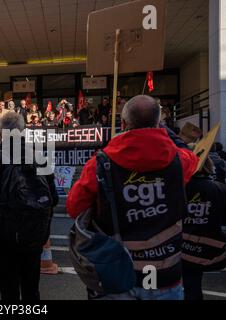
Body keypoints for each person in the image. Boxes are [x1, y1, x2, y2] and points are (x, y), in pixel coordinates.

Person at [66, 95, 199, 300]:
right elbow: (192, 157)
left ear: (123, 124)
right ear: (158, 123)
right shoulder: (179, 159)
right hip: (165, 274)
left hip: (118, 272)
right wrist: (167, 133)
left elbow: (74, 208)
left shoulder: (100, 164)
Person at [0, 112, 59, 300]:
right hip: (33, 235)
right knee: (31, 290)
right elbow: (54, 198)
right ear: (23, 130)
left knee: (8, 292)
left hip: (3, 239)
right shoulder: (38, 158)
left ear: (1, 132)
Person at [182, 156, 226, 300]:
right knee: (193, 286)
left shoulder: (179, 187)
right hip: (210, 245)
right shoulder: (219, 188)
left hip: (181, 247)